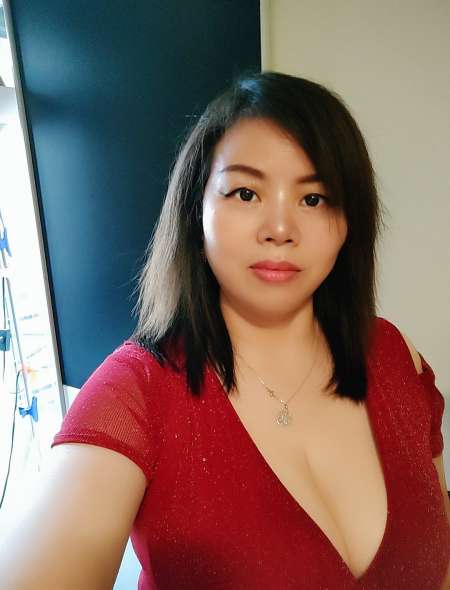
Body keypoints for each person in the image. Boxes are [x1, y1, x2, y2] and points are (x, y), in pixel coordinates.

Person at [0, 71, 448, 589]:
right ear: (197, 212)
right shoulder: (134, 391)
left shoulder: (395, 354)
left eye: (314, 198)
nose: (279, 229)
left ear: (349, 222)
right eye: (245, 192)